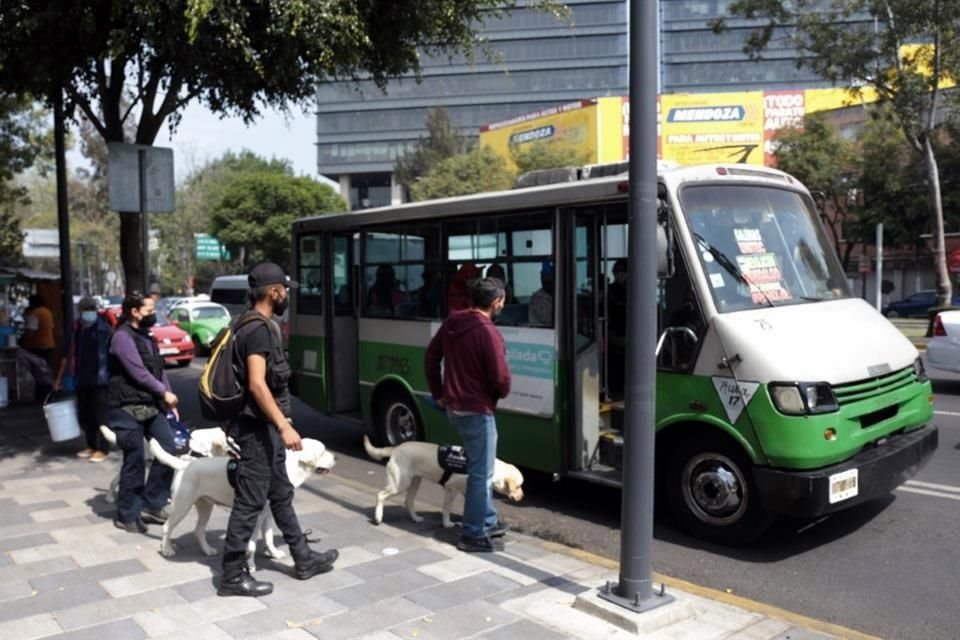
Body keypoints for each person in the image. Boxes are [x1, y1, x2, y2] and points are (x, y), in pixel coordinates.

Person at [219, 262, 338, 598]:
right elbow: (257, 384)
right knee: (249, 502)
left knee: (280, 493)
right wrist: (283, 425)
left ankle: (303, 558)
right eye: (285, 290)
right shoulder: (258, 328)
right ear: (273, 292)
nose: (287, 296)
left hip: (262, 428)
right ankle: (230, 576)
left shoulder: (246, 323)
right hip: (257, 429)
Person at [425, 277, 511, 553]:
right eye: (503, 300)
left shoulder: (453, 322)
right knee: (481, 474)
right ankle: (472, 534)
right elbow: (500, 376)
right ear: (496, 301)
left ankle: (487, 520)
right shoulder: (489, 332)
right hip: (477, 410)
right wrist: (503, 390)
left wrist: (439, 393)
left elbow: (431, 357)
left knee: (478, 469)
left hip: (455, 407)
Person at [107, 291, 179, 534]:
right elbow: (138, 372)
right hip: (125, 407)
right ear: (134, 312)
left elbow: (158, 371)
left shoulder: (146, 336)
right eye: (149, 311)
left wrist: (168, 397)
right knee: (135, 459)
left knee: (168, 449)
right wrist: (163, 392)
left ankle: (153, 503)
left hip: (150, 405)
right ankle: (127, 514)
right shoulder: (121, 338)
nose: (153, 315)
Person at [55, 296, 112, 462]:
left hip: (100, 380)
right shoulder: (75, 329)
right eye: (86, 309)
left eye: (91, 309)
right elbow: (66, 355)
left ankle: (103, 448)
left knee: (100, 415)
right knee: (85, 415)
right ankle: (91, 445)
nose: (89, 313)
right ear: (80, 311)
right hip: (81, 378)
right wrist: (59, 378)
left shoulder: (104, 329)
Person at [606, 259, 628, 397]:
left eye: (622, 273)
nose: (619, 276)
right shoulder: (611, 291)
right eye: (617, 273)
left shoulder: (636, 289)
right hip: (614, 335)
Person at [22, 294, 55, 368]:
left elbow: (30, 332)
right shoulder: (48, 312)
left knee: (37, 367)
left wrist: (24, 338)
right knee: (45, 365)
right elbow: (51, 327)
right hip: (49, 344)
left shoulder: (35, 313)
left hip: (37, 345)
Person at [528, 261, 554, 326]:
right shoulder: (537, 298)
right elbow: (548, 319)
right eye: (546, 280)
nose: (547, 282)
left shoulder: (556, 295)